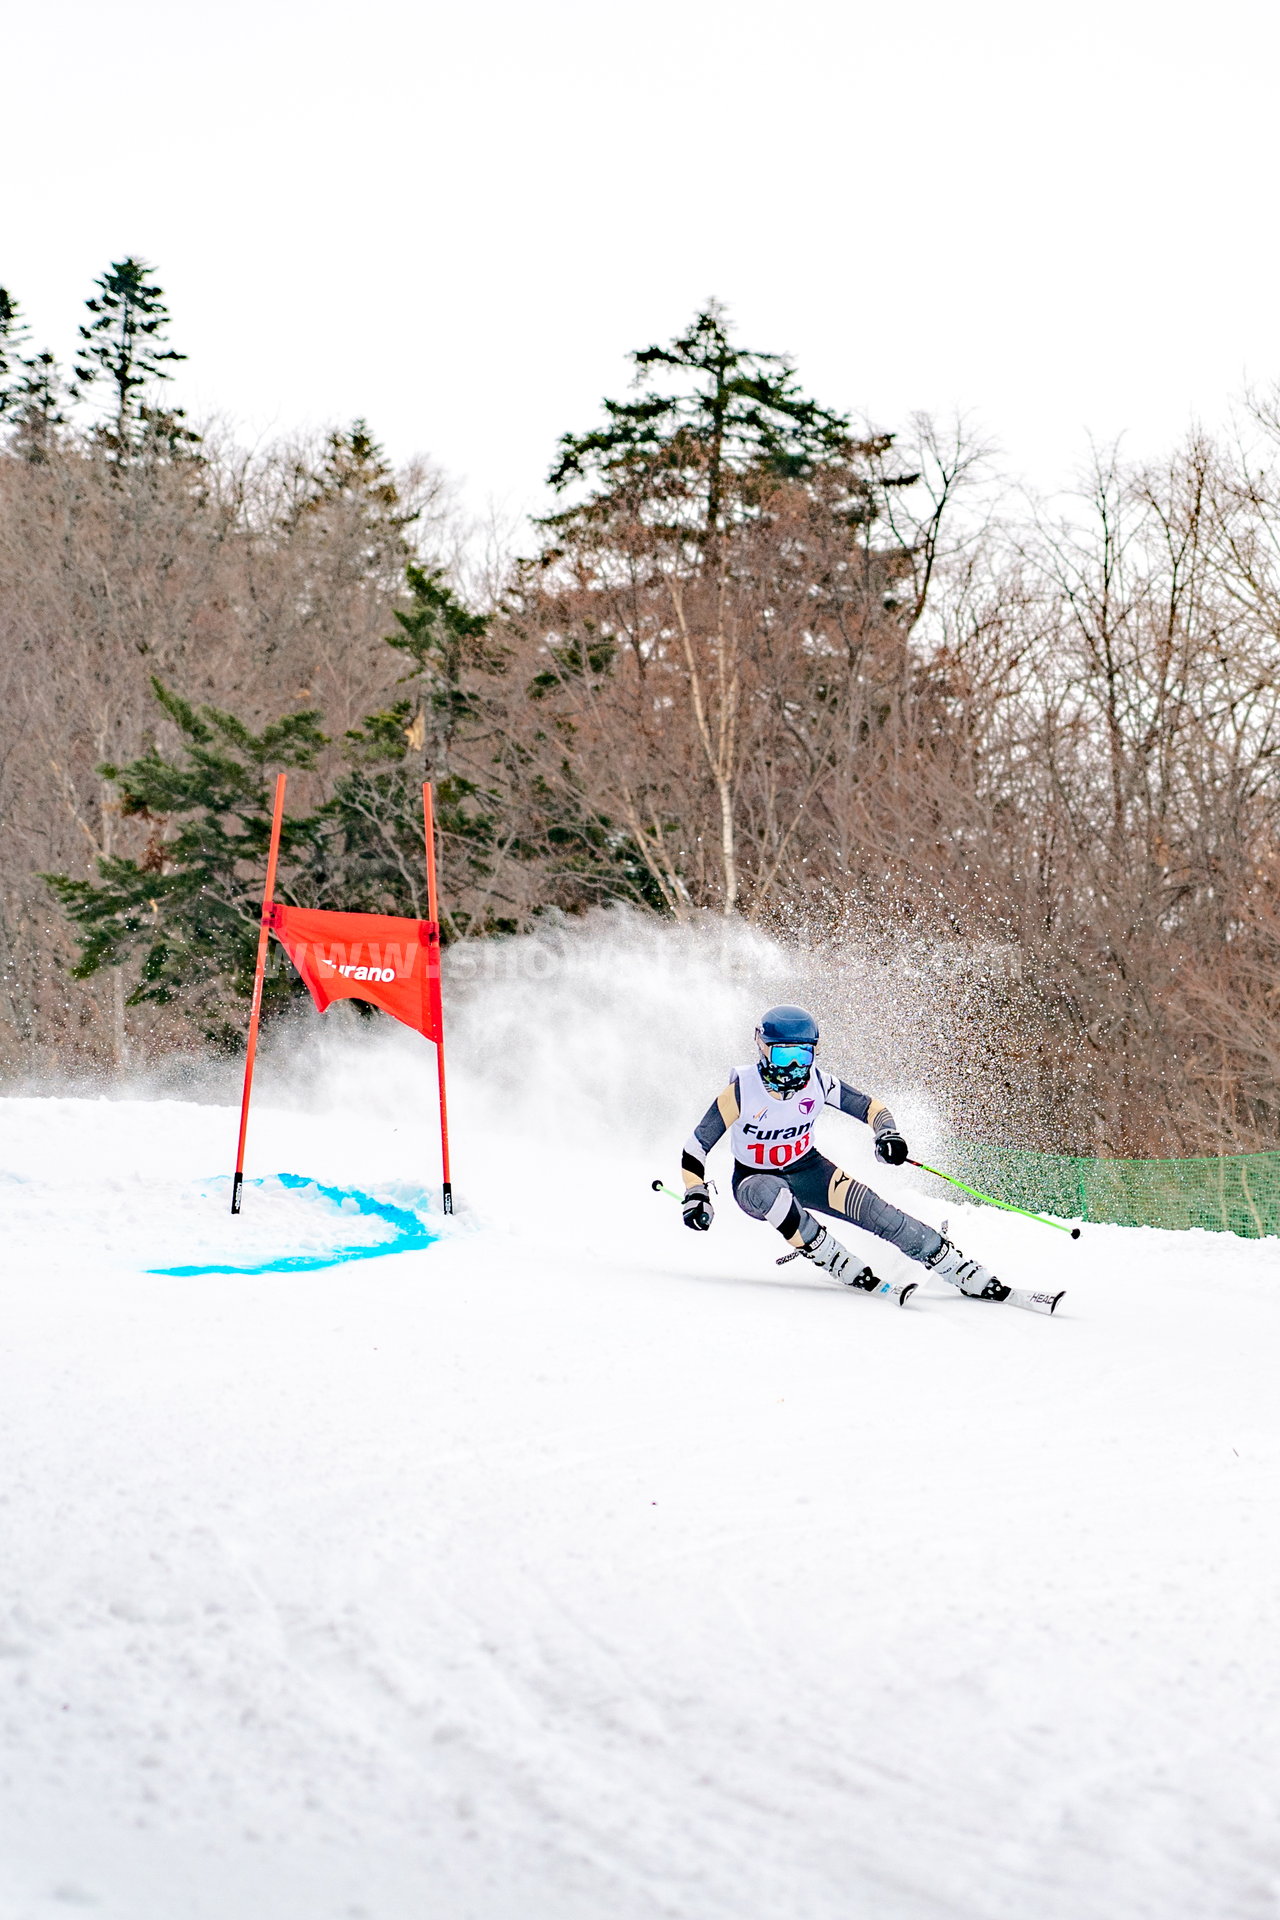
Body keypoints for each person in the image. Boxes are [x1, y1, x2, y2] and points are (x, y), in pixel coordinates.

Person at [681, 1004, 1058, 1309]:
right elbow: (695, 1148)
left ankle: (957, 1268)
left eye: (803, 1055)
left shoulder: (818, 1083)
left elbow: (872, 1108)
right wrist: (696, 1193)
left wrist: (888, 1134)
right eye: (784, 1055)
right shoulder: (741, 1091)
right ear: (762, 1049)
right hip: (753, 1180)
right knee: (773, 1194)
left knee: (878, 1213)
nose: (794, 1067)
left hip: (809, 1169)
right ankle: (830, 1256)